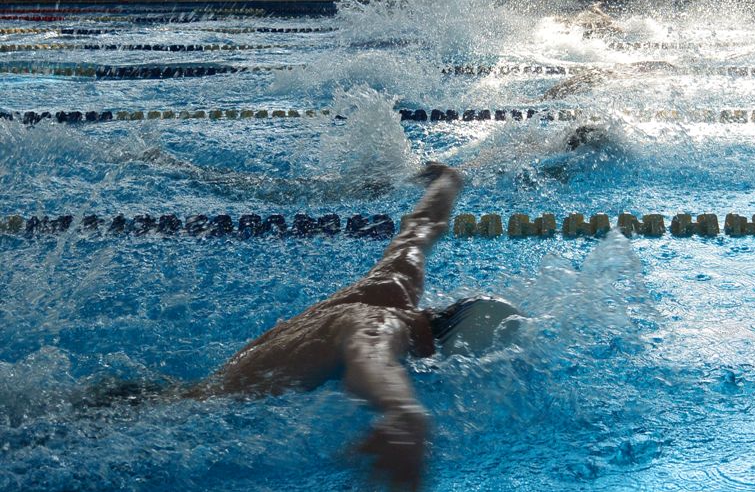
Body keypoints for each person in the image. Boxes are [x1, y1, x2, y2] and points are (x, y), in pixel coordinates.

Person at [184, 164, 516, 490]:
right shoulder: (380, 322)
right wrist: (402, 410)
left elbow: (422, 227)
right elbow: (371, 356)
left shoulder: (396, 282)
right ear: (433, 349)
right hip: (187, 420)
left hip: (188, 395)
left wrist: (447, 180)